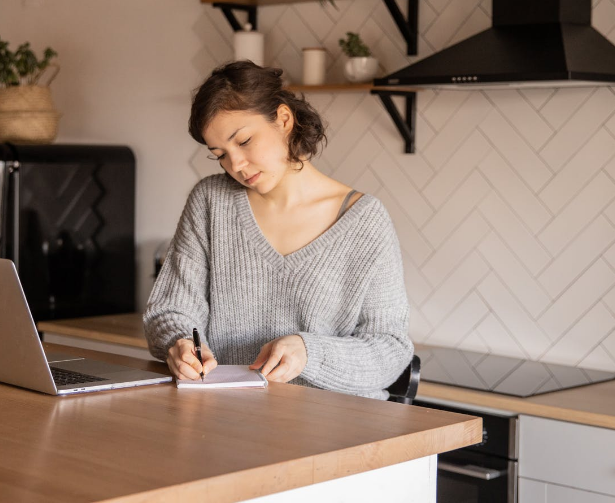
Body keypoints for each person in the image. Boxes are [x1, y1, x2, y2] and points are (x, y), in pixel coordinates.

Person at [143, 61, 413, 400]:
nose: (236, 165)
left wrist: (309, 352)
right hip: (225, 422)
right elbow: (170, 310)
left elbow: (391, 350)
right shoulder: (211, 201)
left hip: (336, 429)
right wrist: (179, 343)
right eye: (220, 155)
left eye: (243, 141)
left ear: (284, 120)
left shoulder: (364, 221)